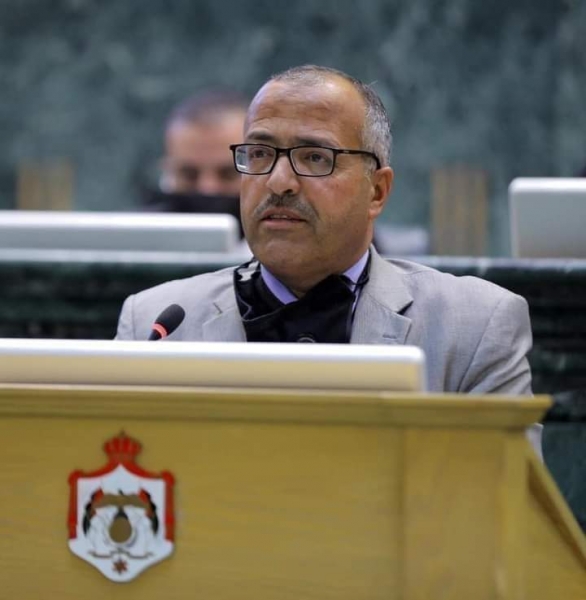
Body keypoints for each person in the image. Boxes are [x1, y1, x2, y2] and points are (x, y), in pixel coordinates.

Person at [116, 64, 532, 396]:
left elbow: (498, 478)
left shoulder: (475, 327)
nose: (279, 182)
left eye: (315, 157)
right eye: (259, 153)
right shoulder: (154, 325)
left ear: (377, 191)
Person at [141, 88, 248, 236]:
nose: (207, 189)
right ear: (167, 173)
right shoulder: (132, 242)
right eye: (189, 175)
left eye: (228, 174)